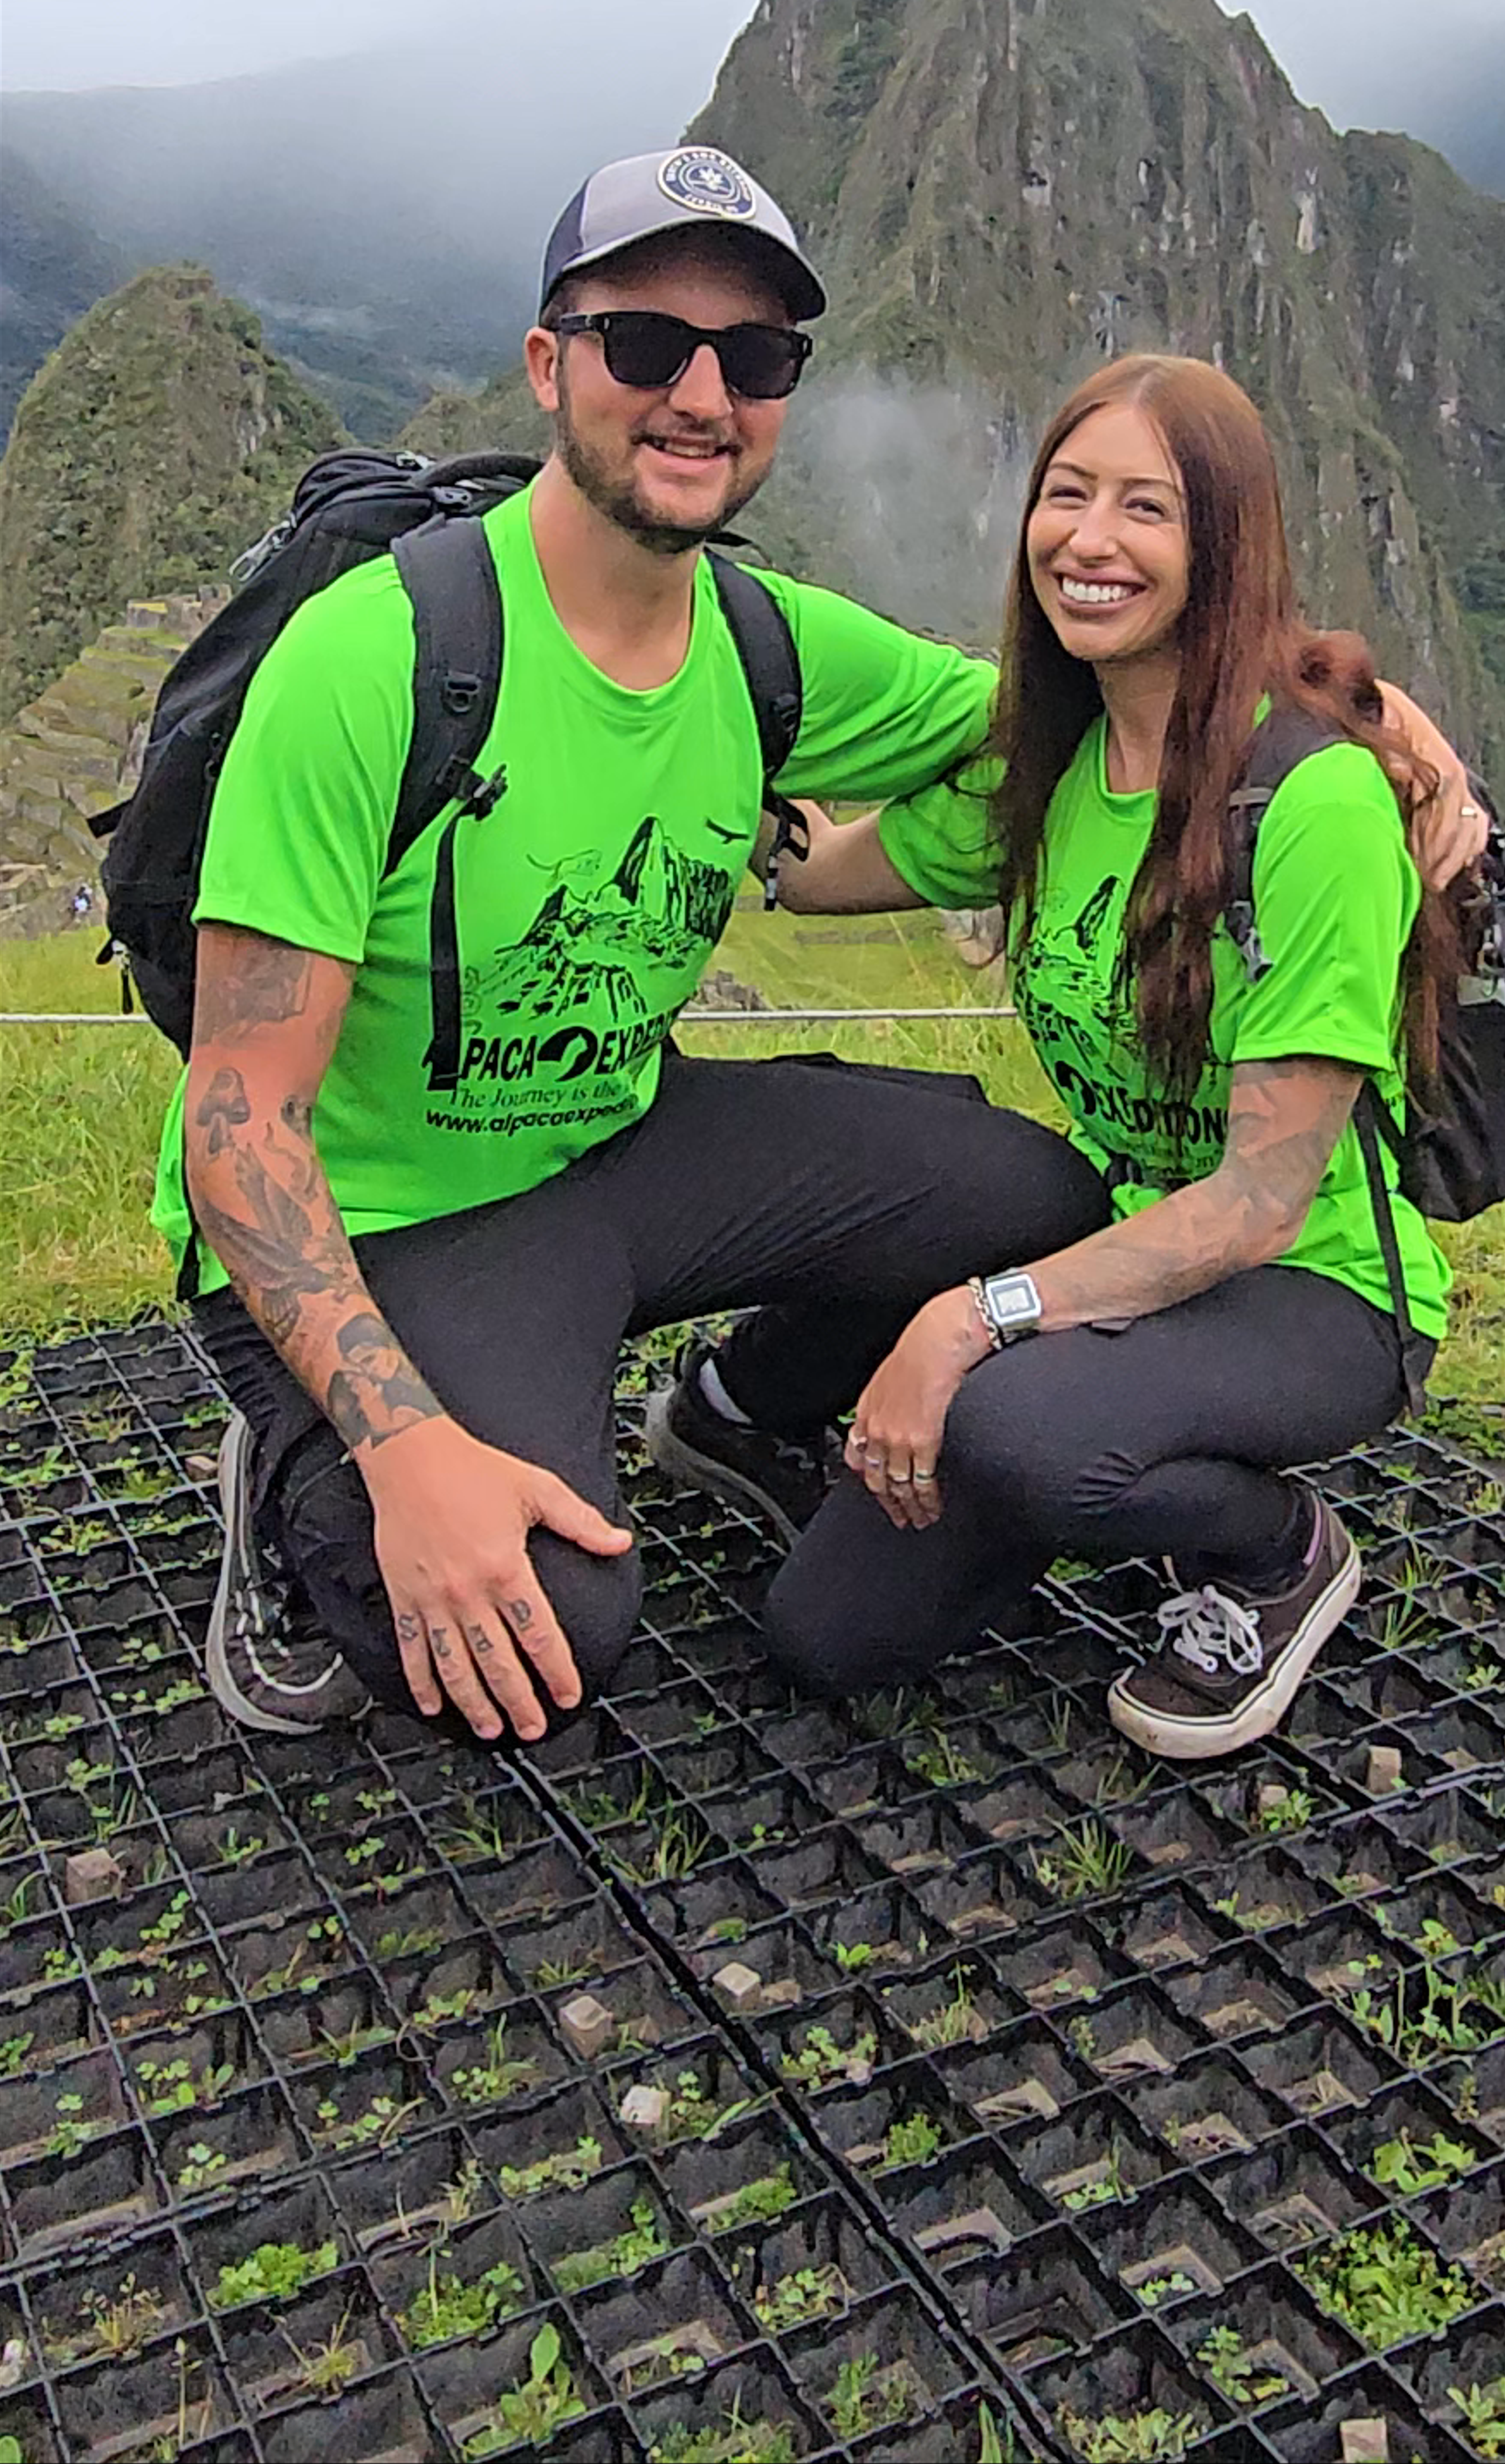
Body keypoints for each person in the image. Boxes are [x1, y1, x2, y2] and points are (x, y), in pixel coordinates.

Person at [168, 146, 1109, 1748]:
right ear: (551, 365)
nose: (702, 396)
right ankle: (300, 1478)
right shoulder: (378, 658)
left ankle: (736, 1415)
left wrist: (1363, 721)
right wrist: (402, 1445)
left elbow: (1071, 694)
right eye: (647, 344)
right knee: (547, 1636)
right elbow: (238, 1117)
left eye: (755, 359)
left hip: (623, 1144)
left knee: (1037, 1207)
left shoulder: (763, 645)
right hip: (401, 1216)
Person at [753, 353, 1467, 1758]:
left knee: (1015, 1435)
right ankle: (1075, 1454)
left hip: (1311, 1287)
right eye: (1066, 495)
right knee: (828, 1634)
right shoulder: (1052, 764)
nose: (1090, 540)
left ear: (1226, 544)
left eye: (1148, 508)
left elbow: (1260, 1203)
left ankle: (1274, 1551)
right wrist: (694, 755)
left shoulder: (1309, 802)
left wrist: (972, 1320)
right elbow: (822, 874)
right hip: (1116, 1253)